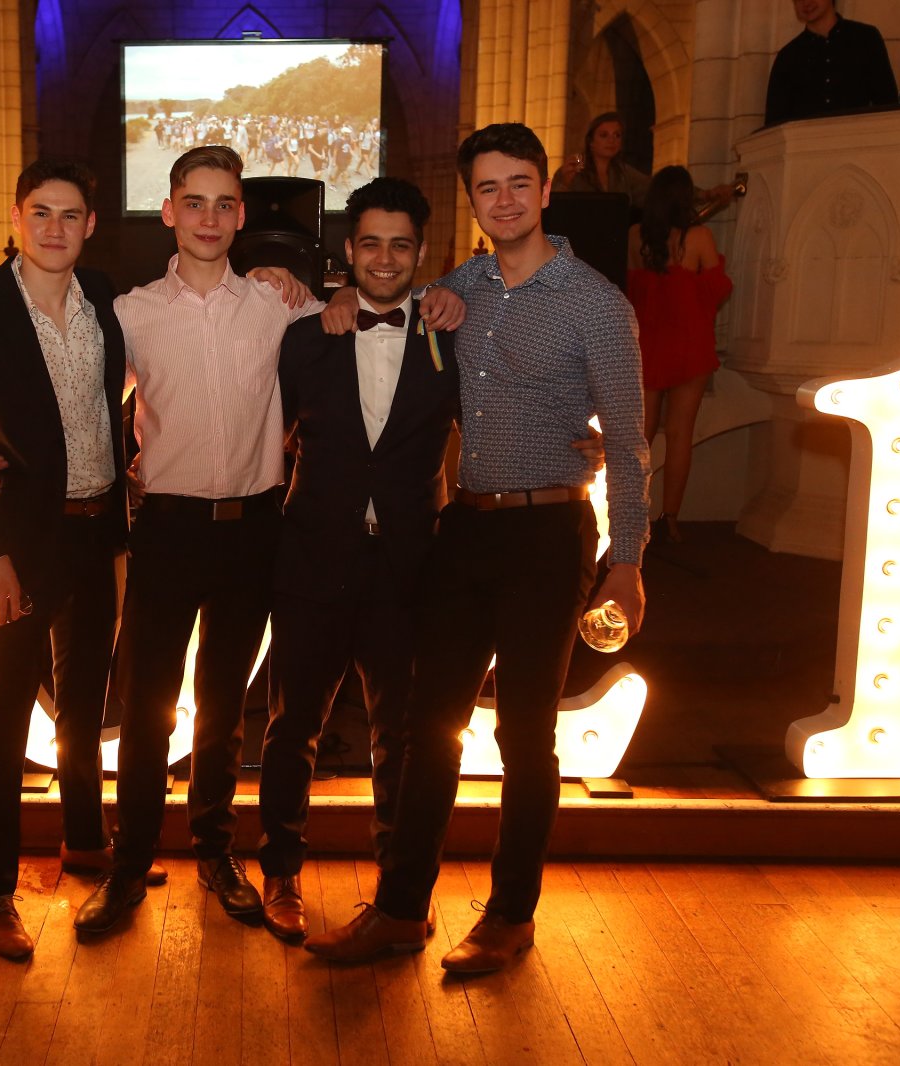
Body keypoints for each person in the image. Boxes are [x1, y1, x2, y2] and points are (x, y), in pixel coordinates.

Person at [305, 123, 649, 972]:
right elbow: (386, 300)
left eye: (518, 183)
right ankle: (400, 909)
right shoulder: (458, 290)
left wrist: (630, 561)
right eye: (488, 187)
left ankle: (510, 915)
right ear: (472, 200)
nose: (504, 200)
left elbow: (628, 439)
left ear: (545, 189)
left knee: (528, 736)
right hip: (463, 529)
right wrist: (339, 299)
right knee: (429, 726)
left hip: (549, 533)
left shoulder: (597, 303)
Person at [74, 145, 323, 935]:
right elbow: (80, 404)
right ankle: (128, 865)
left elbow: (356, 343)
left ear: (241, 215)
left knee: (224, 707)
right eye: (195, 202)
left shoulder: (280, 305)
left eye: (224, 204)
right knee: (147, 706)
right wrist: (1, 451)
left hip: (254, 529)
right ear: (169, 212)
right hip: (169, 530)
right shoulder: (133, 314)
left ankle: (215, 851)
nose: (209, 218)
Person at [0, 160, 166, 961]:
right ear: (16, 217)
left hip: (99, 535)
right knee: (2, 717)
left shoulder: (104, 298)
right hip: (20, 545)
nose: (55, 228)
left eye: (70, 215)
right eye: (41, 212)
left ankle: (85, 841)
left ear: (90, 224)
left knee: (86, 703)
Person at [256, 178, 457, 940]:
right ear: (348, 249)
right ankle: (280, 872)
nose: (384, 258)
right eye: (370, 243)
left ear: (421, 252)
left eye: (400, 244)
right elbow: (258, 432)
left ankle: (400, 891)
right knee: (291, 727)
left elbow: (497, 413)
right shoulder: (307, 337)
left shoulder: (451, 335)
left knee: (402, 736)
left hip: (411, 566)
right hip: (313, 559)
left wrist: (574, 443)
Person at [626, 165, 733, 544]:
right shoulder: (699, 237)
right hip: (689, 345)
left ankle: (630, 517)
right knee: (680, 435)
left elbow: (628, 291)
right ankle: (670, 519)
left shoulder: (635, 236)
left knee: (639, 438)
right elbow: (718, 290)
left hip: (647, 345)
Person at [764, 0, 899, 127]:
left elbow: (888, 104)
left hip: (859, 138)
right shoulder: (788, 57)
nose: (806, 2)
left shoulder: (865, 39)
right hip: (807, 142)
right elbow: (774, 125)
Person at [552, 112, 649, 208]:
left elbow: (649, 194)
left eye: (617, 135)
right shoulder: (576, 167)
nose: (611, 141)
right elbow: (555, 205)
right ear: (591, 141)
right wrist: (564, 184)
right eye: (604, 135)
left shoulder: (624, 172)